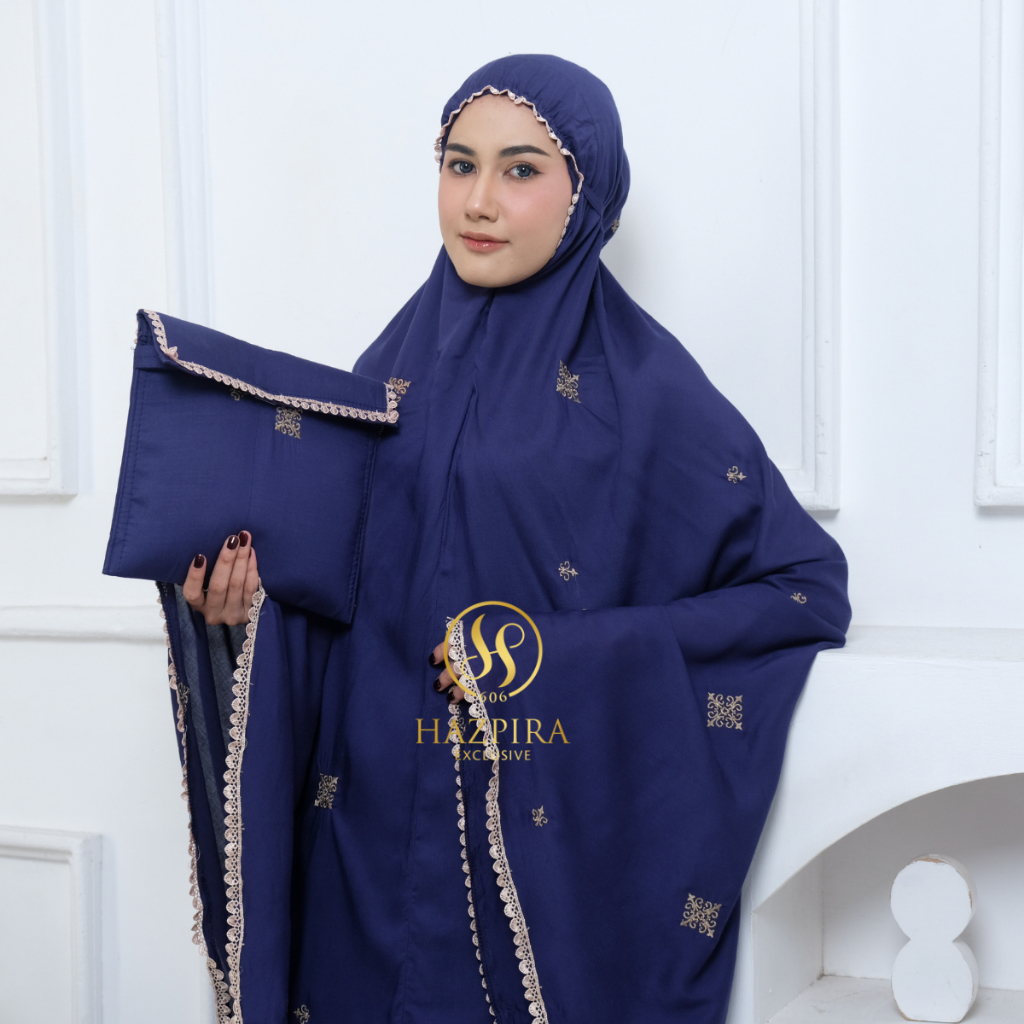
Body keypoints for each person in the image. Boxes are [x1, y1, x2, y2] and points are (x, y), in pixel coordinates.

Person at [163, 54, 850, 1024]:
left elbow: (804, 588)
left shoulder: (646, 390)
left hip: (526, 863)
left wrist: (561, 658)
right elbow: (334, 593)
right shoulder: (385, 373)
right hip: (362, 846)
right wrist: (244, 609)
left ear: (588, 192)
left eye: (521, 169)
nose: (478, 201)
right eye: (459, 164)